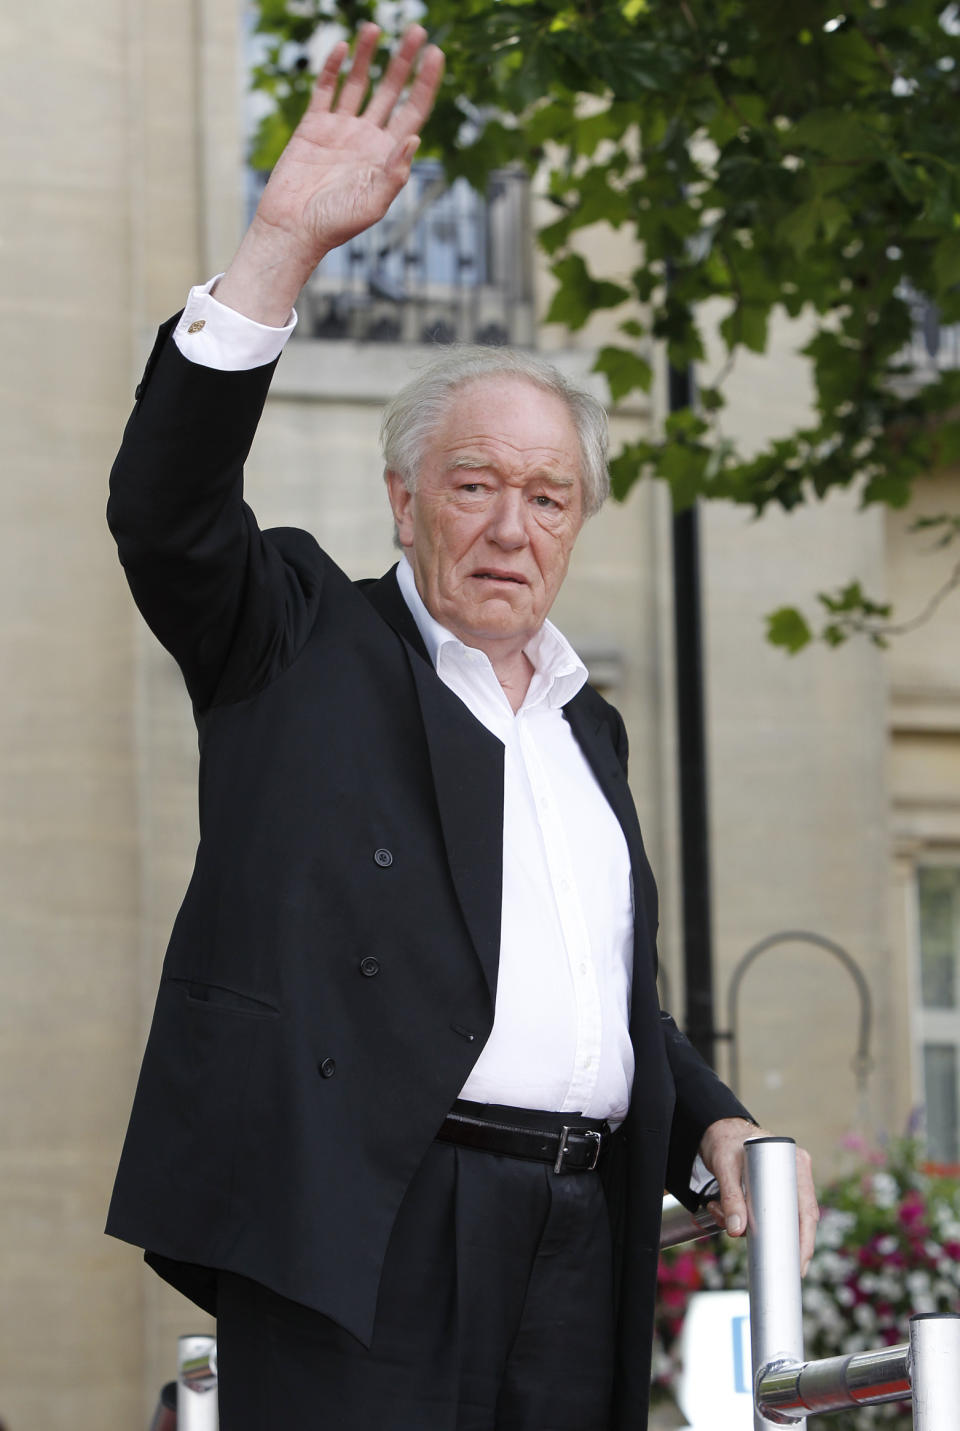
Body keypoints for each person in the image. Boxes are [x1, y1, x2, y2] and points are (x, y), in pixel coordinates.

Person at [105, 23, 817, 1431]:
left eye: (546, 497)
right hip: (368, 1228)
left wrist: (707, 1118)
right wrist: (283, 246)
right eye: (475, 483)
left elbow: (590, 992)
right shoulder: (299, 637)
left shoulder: (585, 725)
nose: (508, 526)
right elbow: (166, 513)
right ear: (403, 499)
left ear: (579, 523)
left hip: (576, 1242)